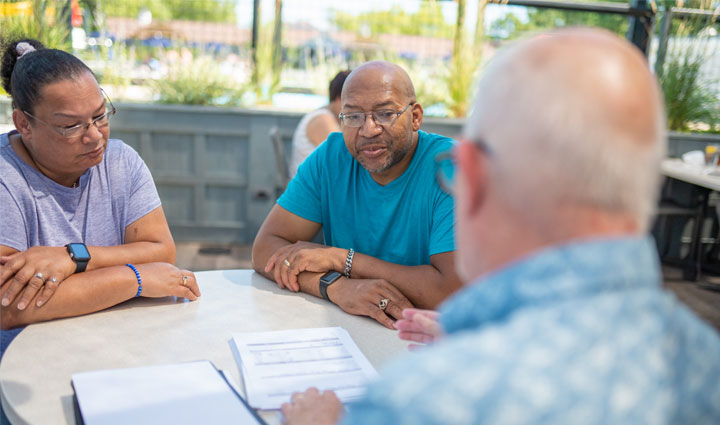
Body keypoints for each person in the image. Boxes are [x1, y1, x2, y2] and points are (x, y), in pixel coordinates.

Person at [280, 28, 720, 425]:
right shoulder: (706, 366)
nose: (368, 128)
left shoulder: (420, 399)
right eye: (354, 116)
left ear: (471, 175)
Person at [0, 39, 201, 353]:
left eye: (100, 116)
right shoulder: (5, 177)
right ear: (24, 123)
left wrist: (73, 258)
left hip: (114, 347)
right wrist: (135, 278)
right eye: (70, 126)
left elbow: (161, 251)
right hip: (26, 366)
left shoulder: (120, 160)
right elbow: (10, 305)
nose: (94, 136)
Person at [252, 61, 462, 329]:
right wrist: (335, 287)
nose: (368, 129)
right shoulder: (330, 158)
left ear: (416, 117)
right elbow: (265, 249)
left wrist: (341, 259)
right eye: (353, 116)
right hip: (347, 329)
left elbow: (452, 292)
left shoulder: (450, 167)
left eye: (385, 114)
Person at [289, 70, 350, 178]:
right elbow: (342, 161)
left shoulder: (327, 114)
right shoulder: (323, 120)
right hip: (310, 190)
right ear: (340, 99)